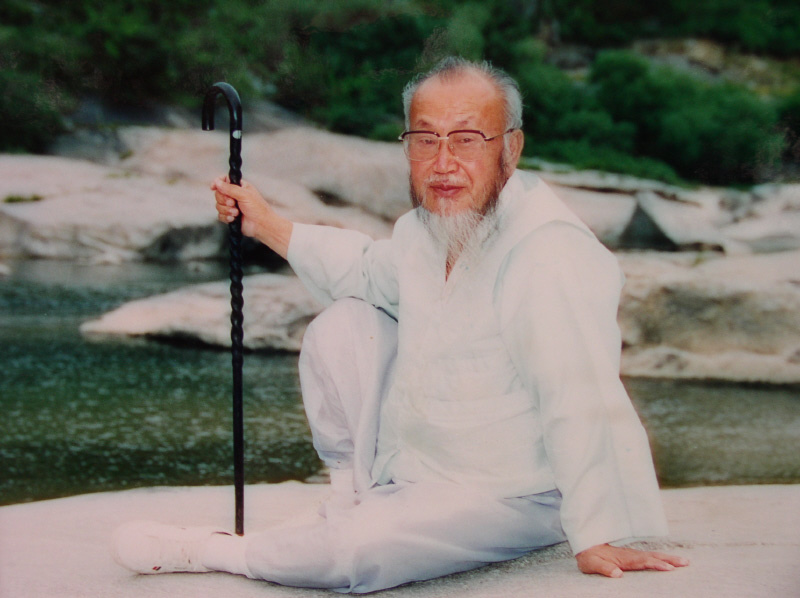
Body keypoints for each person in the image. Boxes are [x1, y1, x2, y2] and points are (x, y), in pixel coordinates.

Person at [112, 57, 689, 591]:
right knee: (343, 324)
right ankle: (348, 499)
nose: (443, 163)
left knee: (359, 554)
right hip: (412, 468)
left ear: (510, 148)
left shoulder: (547, 251)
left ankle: (217, 551)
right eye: (424, 139)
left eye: (467, 139)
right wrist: (266, 225)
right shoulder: (425, 229)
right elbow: (366, 272)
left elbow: (579, 394)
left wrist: (593, 532)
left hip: (513, 493)